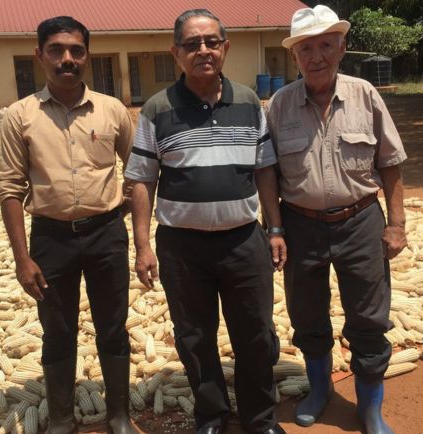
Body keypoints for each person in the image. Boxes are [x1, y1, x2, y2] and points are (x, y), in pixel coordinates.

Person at [124, 9, 286, 434]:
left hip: (243, 242)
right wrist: (142, 245)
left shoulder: (249, 101)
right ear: (176, 52)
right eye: (192, 44)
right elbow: (141, 179)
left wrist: (275, 227)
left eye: (211, 42)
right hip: (182, 247)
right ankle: (212, 415)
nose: (203, 51)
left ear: (225, 48)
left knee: (254, 333)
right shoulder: (157, 109)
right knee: (194, 337)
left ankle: (260, 418)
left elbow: (265, 168)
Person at [258, 5, 408, 434]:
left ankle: (370, 410)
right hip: (300, 224)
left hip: (360, 221)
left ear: (341, 49)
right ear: (295, 56)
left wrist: (396, 223)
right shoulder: (281, 105)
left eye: (326, 45)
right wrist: (275, 227)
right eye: (307, 48)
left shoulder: (365, 94)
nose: (317, 55)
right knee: (307, 314)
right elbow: (267, 173)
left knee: (369, 317)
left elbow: (391, 162)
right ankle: (320, 391)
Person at [0, 16, 138, 434]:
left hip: (106, 236)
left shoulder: (112, 110)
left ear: (87, 56)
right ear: (40, 55)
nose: (67, 59)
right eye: (56, 50)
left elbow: (140, 170)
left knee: (113, 325)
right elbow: (9, 188)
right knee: (57, 331)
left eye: (76, 50)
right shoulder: (20, 116)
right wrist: (22, 258)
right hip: (51, 240)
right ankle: (60, 418)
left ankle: (118, 414)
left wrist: (118, 210)